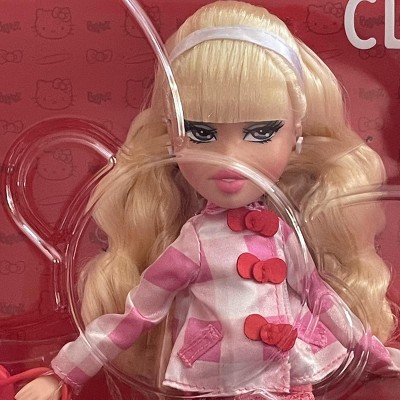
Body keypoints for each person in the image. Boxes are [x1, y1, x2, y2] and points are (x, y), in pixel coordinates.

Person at [14, 1, 400, 399]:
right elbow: (135, 316)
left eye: (261, 132)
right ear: (171, 133)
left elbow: (322, 297)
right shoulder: (193, 244)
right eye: (201, 133)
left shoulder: (285, 237)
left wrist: (379, 356)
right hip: (215, 382)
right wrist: (62, 374)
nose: (230, 157)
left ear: (296, 132)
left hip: (289, 380)